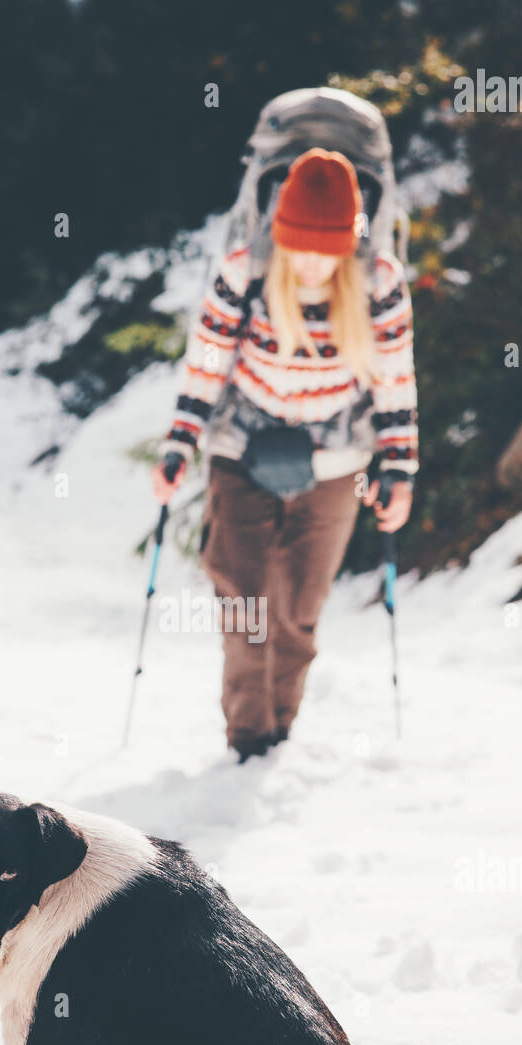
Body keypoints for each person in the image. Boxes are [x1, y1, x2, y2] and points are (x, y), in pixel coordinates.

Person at [152, 148, 418, 762]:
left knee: (298, 611)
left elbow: (394, 380)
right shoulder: (244, 271)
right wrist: (178, 448)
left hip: (337, 463)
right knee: (245, 609)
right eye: (300, 246)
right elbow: (207, 365)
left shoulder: (378, 283)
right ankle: (248, 741)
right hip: (241, 452)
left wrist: (399, 469)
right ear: (280, 234)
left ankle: (280, 732)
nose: (312, 263)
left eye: (327, 249)